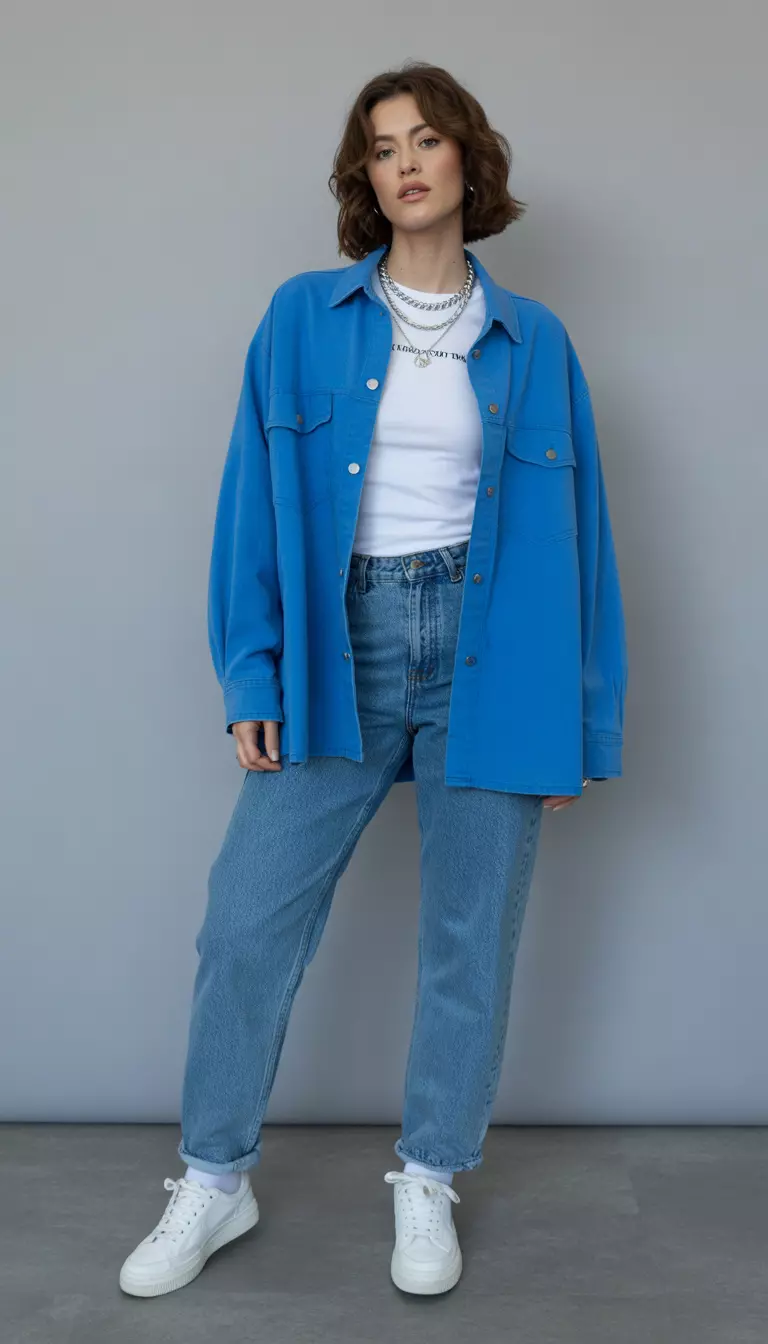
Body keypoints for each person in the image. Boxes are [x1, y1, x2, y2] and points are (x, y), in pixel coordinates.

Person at [119, 60, 628, 1300]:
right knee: (246, 922)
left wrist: (580, 722)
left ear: (467, 159)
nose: (405, 162)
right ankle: (214, 1179)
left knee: (470, 937)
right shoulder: (303, 318)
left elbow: (584, 545)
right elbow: (252, 503)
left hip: (494, 657)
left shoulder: (536, 340)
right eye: (383, 146)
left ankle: (429, 1175)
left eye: (427, 139)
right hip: (340, 646)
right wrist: (253, 670)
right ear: (366, 176)